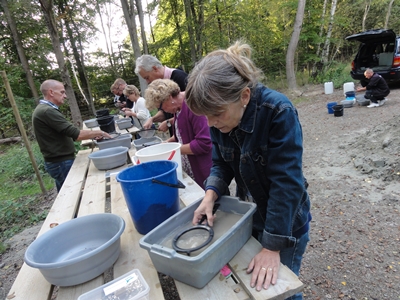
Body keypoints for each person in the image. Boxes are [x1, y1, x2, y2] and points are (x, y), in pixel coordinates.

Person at [185, 41, 311, 299]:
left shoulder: (278, 111)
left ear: (244, 96)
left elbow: (286, 183)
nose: (210, 124)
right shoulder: (218, 115)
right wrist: (210, 195)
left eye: (216, 115)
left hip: (285, 223)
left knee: (282, 288)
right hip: (251, 214)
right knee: (256, 284)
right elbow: (220, 162)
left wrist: (273, 246)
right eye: (206, 117)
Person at [32, 79, 112, 192]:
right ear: (51, 92)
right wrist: (100, 132)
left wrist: (92, 135)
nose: (65, 96)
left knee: (65, 196)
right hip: (61, 163)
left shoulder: (45, 109)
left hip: (58, 162)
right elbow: (76, 134)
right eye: (62, 92)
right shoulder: (47, 111)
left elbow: (68, 133)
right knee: (72, 194)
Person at [144, 79, 212, 188]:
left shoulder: (192, 105)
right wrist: (165, 144)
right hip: (190, 170)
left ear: (169, 97)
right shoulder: (177, 109)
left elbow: (204, 143)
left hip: (204, 173)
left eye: (160, 107)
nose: (163, 111)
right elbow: (180, 137)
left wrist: (172, 150)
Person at [135, 55, 188, 136]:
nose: (147, 82)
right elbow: (165, 110)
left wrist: (168, 122)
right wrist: (152, 119)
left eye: (147, 77)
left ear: (155, 69)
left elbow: (191, 113)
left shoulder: (180, 78)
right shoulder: (160, 87)